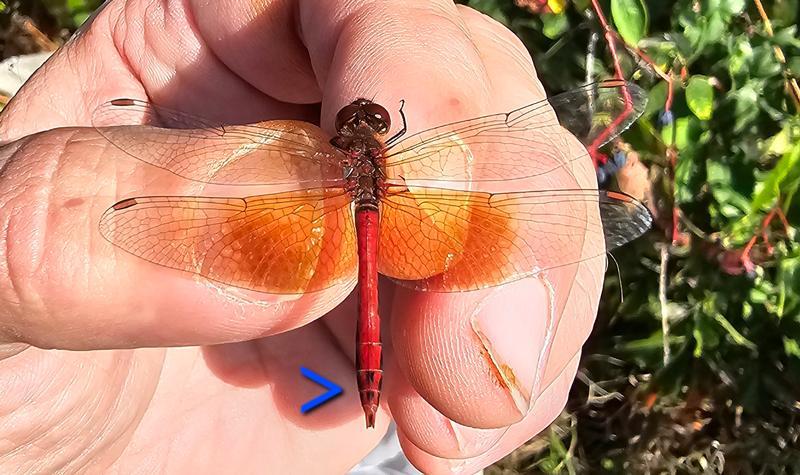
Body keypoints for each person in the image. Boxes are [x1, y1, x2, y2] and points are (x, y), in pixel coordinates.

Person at [0, 0, 602, 473]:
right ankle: (369, 405)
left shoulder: (324, 161)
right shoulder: (388, 158)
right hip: (364, 277)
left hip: (334, 307)